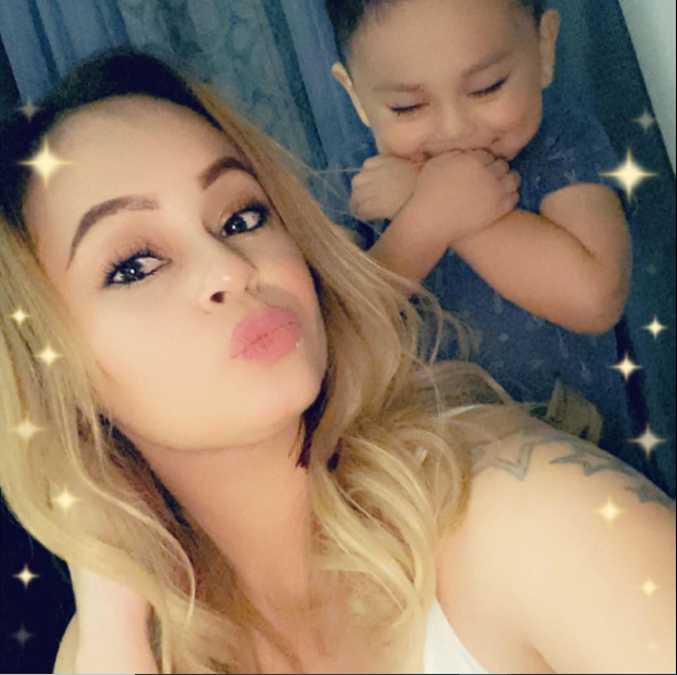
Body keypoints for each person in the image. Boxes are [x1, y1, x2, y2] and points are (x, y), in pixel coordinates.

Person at [0, 50, 673, 675]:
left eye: (241, 217)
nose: (229, 269)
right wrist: (111, 607)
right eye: (134, 265)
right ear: (46, 371)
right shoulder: (109, 646)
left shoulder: (529, 517)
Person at [323, 0, 636, 454]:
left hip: (579, 458)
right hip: (427, 471)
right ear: (356, 97)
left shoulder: (560, 141)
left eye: (487, 88)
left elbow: (595, 298)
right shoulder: (357, 178)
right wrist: (426, 221)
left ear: (544, 47)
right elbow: (336, 343)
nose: (454, 130)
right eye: (407, 107)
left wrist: (447, 207)